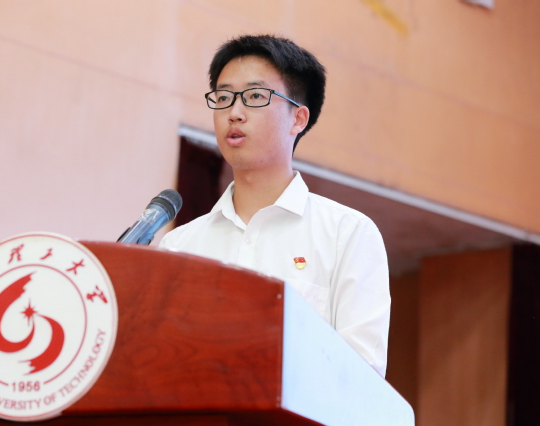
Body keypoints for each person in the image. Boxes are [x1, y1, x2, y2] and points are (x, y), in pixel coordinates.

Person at [159, 35, 390, 377]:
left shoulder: (347, 234)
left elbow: (361, 372)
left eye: (254, 96)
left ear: (298, 119)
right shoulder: (179, 246)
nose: (234, 113)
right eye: (223, 98)